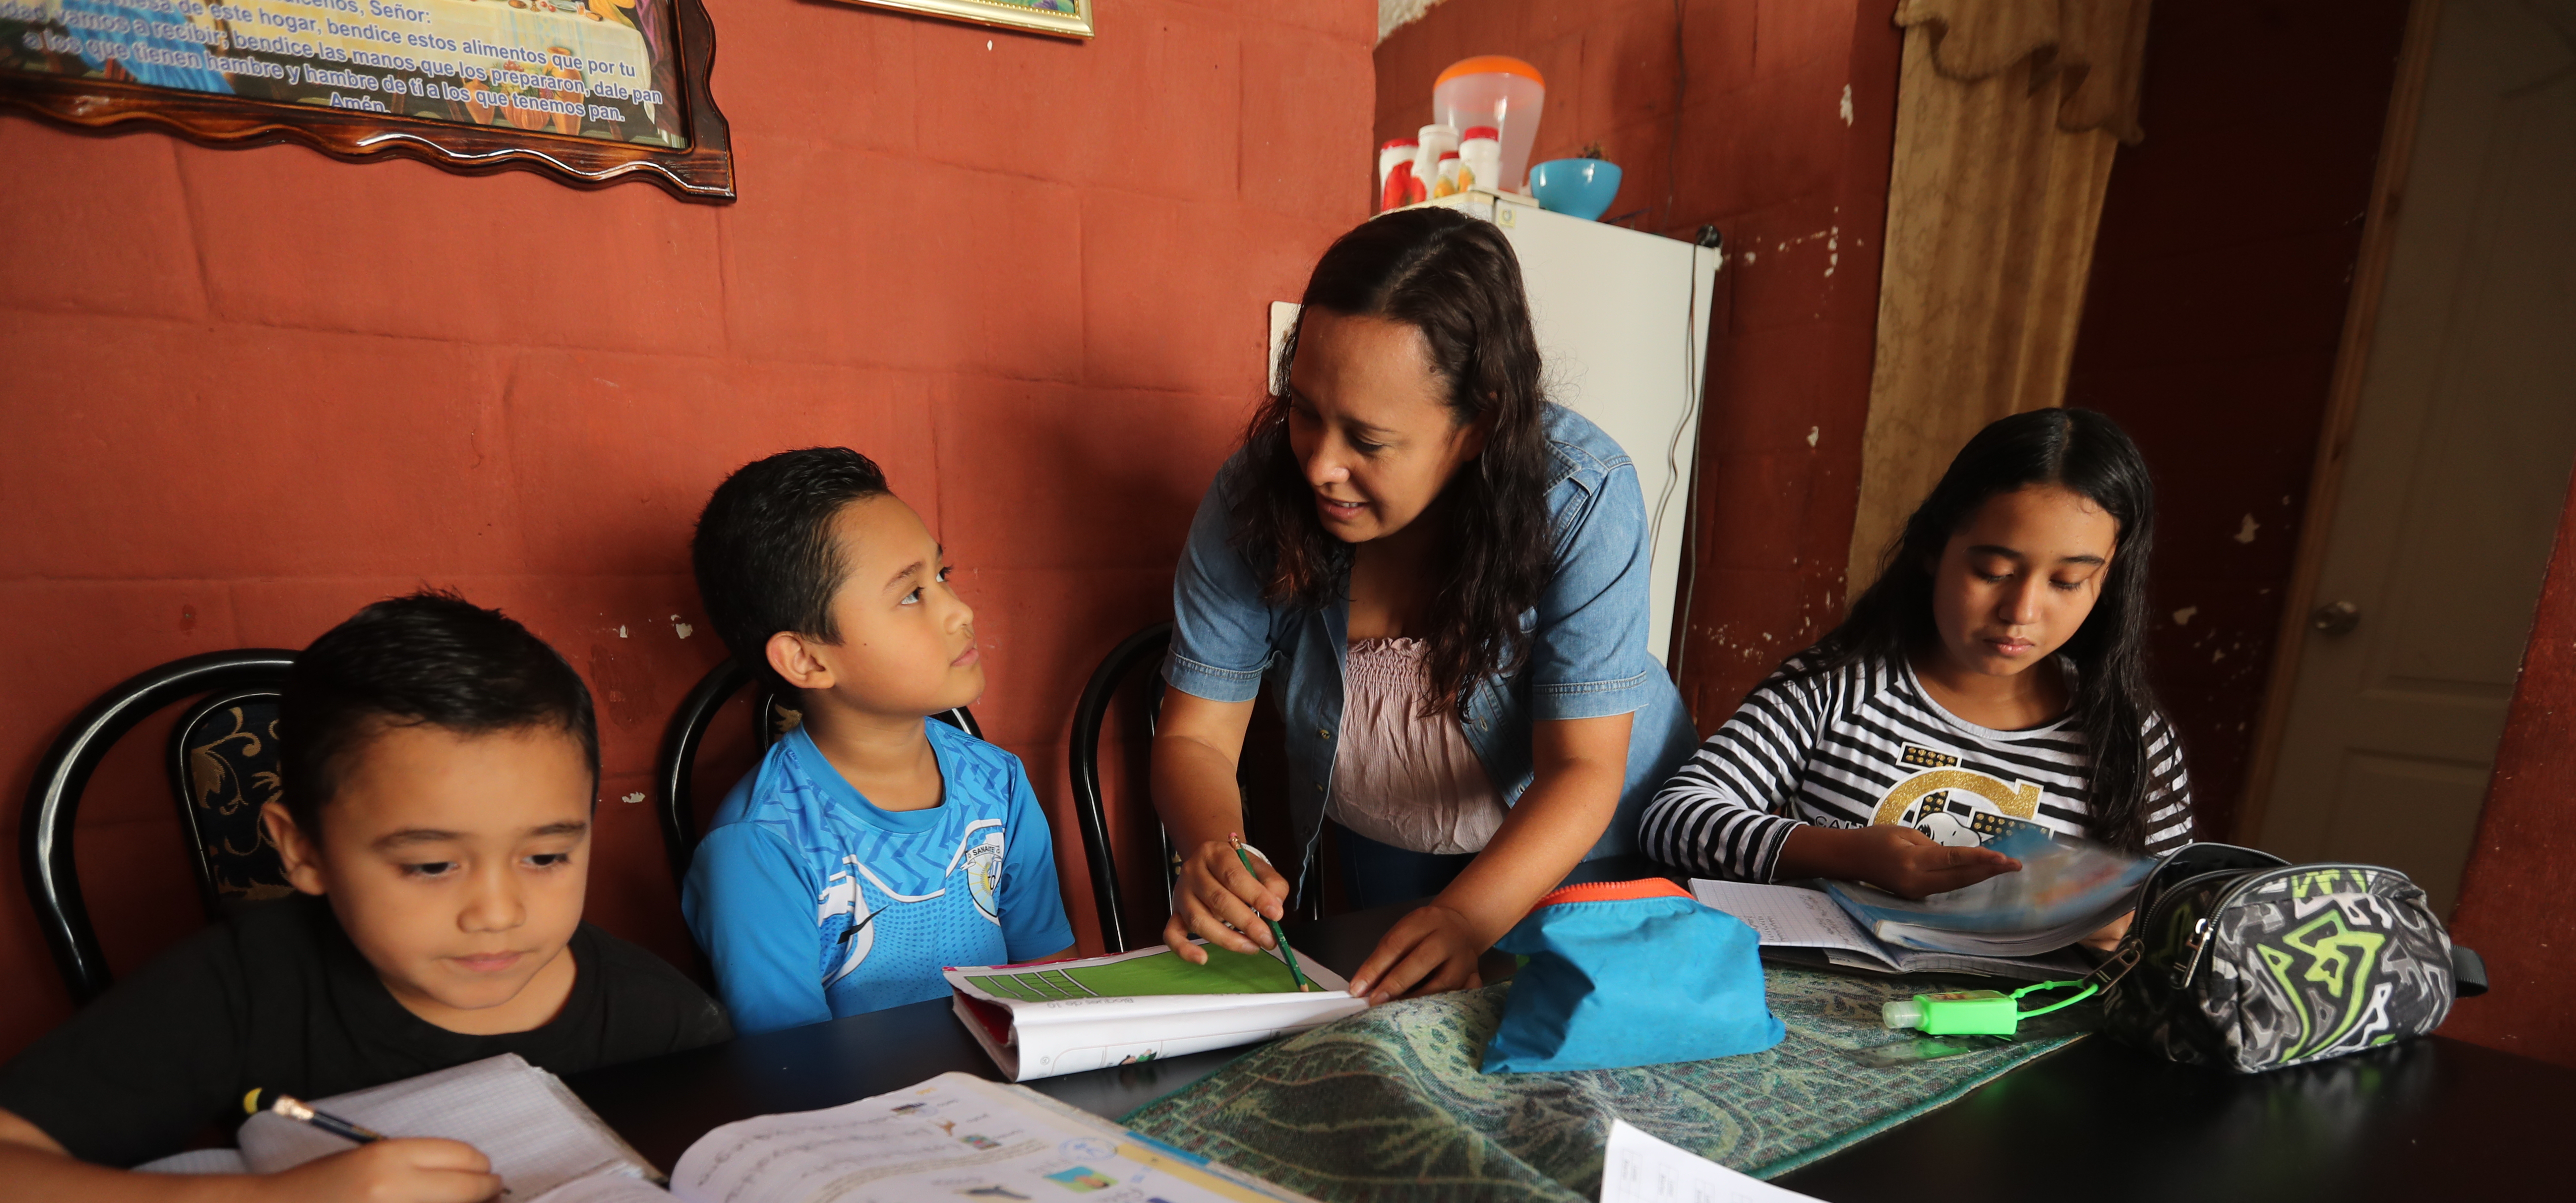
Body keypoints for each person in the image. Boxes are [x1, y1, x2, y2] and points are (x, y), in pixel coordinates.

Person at [0, 594, 731, 1203]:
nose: (497, 910)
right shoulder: (245, 985)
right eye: (430, 863)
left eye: (548, 855)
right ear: (301, 848)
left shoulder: (661, 1022)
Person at [1155, 207, 1697, 1002]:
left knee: (1569, 1057)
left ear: (1478, 424)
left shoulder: (1580, 495)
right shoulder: (1254, 497)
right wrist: (1214, 848)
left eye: (1367, 441)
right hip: (1393, 836)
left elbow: (1581, 768)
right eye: (1304, 409)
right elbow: (1196, 735)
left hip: (1582, 839)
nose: (1319, 467)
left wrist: (1470, 917)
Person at [1638, 407, 2193, 941]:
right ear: (1932, 548)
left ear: (2109, 585)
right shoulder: (1837, 688)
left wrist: (2125, 926)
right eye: (1993, 571)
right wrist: (1847, 853)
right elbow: (1675, 820)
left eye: (2067, 582)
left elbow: (2182, 915)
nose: (2022, 610)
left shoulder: (2128, 735)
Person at [683, 447, 1075, 1034]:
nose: (960, 610)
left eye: (941, 575)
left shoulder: (999, 784)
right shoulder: (762, 848)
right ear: (808, 659)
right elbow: (793, 1073)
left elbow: (1051, 986)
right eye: (912, 594)